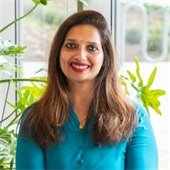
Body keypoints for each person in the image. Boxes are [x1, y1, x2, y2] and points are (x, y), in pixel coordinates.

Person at [16, 10, 158, 170]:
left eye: (92, 48)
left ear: (105, 57)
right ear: (58, 53)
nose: (80, 55)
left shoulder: (134, 118)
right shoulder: (35, 118)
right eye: (71, 45)